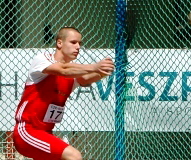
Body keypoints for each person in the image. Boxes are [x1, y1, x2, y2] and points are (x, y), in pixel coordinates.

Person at [13, 27, 115, 160]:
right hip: (27, 132)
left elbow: (84, 78)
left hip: (46, 133)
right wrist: (95, 66)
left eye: (80, 43)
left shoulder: (72, 73)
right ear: (59, 43)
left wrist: (104, 71)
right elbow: (63, 69)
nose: (78, 47)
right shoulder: (42, 59)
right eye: (73, 42)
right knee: (74, 156)